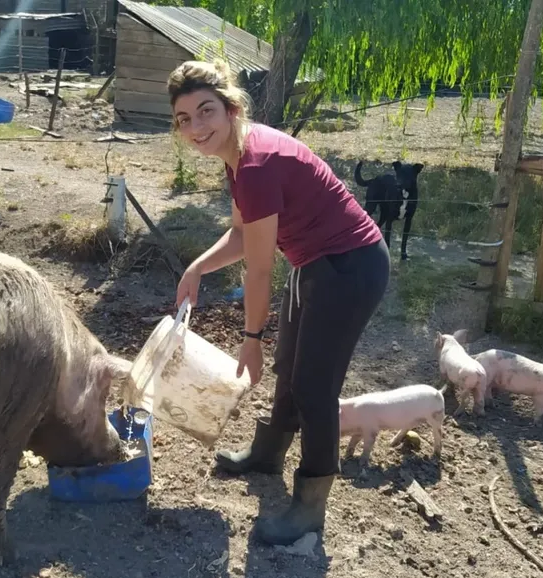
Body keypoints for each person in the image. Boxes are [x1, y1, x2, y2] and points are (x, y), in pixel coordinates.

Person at [167, 59, 391, 547]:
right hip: (315, 263)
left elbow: (260, 267)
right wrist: (195, 268)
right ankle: (267, 455)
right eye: (184, 119)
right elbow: (241, 234)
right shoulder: (238, 155)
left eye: (206, 112)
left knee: (314, 387)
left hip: (351, 267)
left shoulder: (256, 164)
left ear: (231, 109)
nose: (196, 127)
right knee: (290, 369)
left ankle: (310, 507)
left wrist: (251, 341)